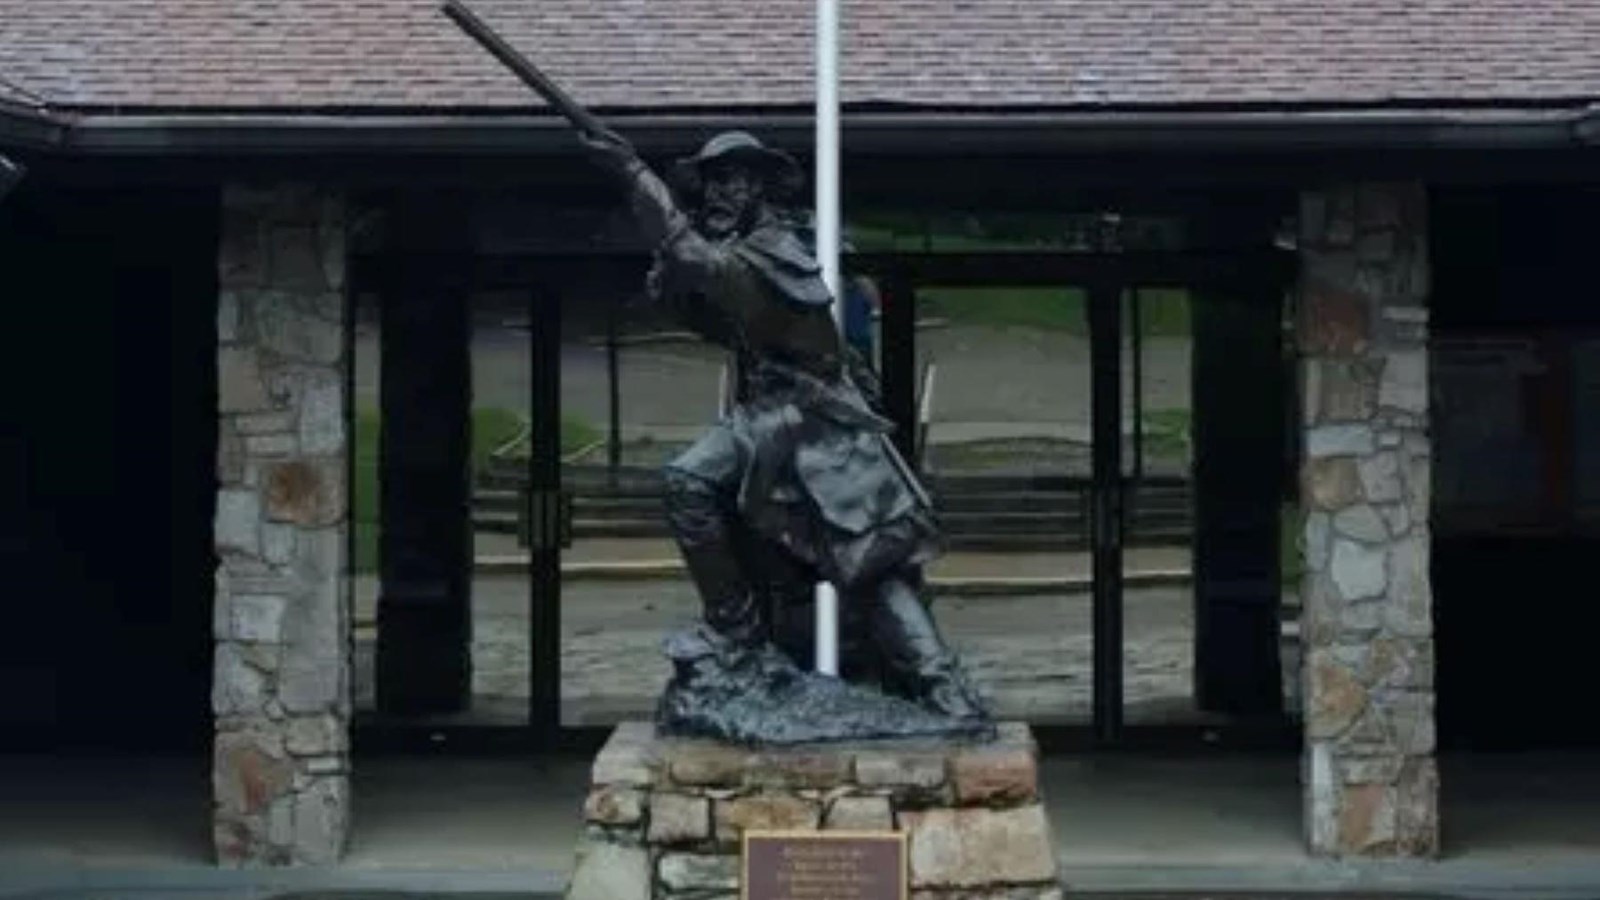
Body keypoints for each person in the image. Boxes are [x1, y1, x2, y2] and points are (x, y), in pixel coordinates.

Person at [578, 127, 987, 731]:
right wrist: (667, 262)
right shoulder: (745, 252)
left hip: (816, 424)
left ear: (762, 190)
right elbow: (699, 304)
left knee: (869, 571)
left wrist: (633, 173)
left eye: (733, 180)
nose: (718, 192)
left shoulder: (774, 250)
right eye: (711, 182)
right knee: (697, 488)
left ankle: (940, 689)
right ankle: (740, 634)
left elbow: (705, 266)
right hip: (779, 419)